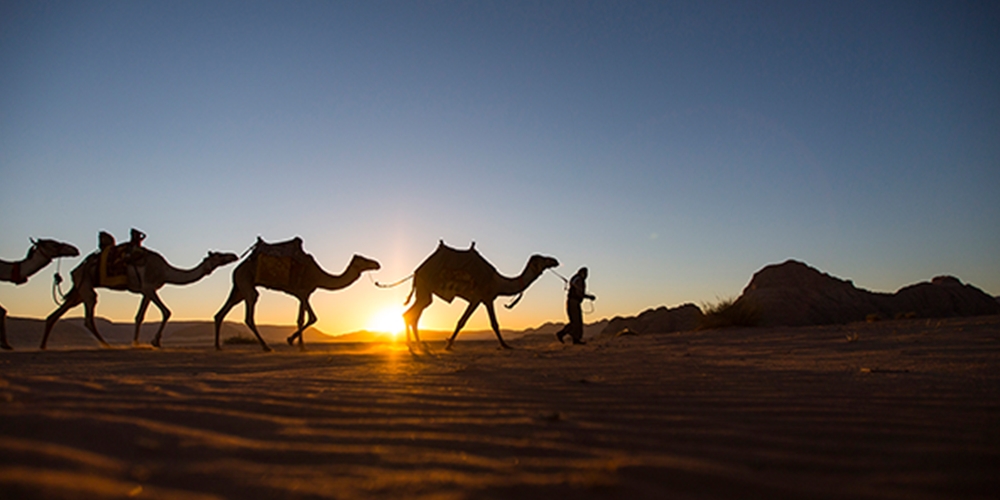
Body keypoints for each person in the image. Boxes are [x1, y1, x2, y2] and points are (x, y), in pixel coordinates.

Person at [556, 267, 596, 345]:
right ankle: (571, 337)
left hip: (573, 302)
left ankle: (570, 337)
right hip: (573, 302)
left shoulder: (576, 279)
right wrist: (589, 297)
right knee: (576, 322)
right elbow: (579, 293)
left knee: (575, 322)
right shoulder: (578, 280)